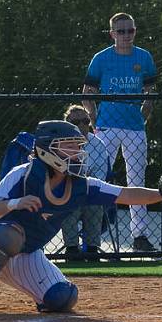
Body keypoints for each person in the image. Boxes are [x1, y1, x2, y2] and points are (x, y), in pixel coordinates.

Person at [0, 121, 162, 314]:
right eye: (70, 146)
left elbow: (126, 194)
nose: (77, 151)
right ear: (46, 150)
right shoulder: (24, 173)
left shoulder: (81, 185)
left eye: (79, 146)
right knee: (10, 234)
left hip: (26, 252)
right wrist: (15, 203)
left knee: (62, 298)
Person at [82, 12, 158, 252]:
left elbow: (151, 90)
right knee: (98, 179)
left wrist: (145, 112)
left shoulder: (144, 57)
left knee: (137, 181)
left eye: (130, 30)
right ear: (112, 33)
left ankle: (140, 236)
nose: (126, 35)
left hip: (135, 127)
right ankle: (92, 238)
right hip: (107, 126)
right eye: (121, 31)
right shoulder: (101, 58)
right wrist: (94, 118)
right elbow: (88, 92)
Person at [59, 105, 110, 260]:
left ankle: (92, 249)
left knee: (95, 203)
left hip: (89, 189)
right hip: (67, 189)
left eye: (85, 121)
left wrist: (78, 177)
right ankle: (72, 249)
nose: (82, 125)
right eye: (77, 122)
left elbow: (100, 176)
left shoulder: (98, 144)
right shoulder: (59, 143)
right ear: (67, 123)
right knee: (69, 202)